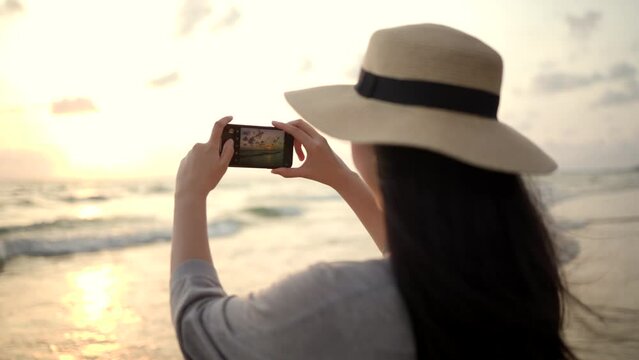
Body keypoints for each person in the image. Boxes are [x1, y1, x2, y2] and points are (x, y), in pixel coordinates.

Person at [171, 24, 578, 359]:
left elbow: (199, 330)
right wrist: (344, 179)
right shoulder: (529, 266)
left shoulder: (335, 301)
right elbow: (418, 267)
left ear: (373, 144)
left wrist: (189, 196)